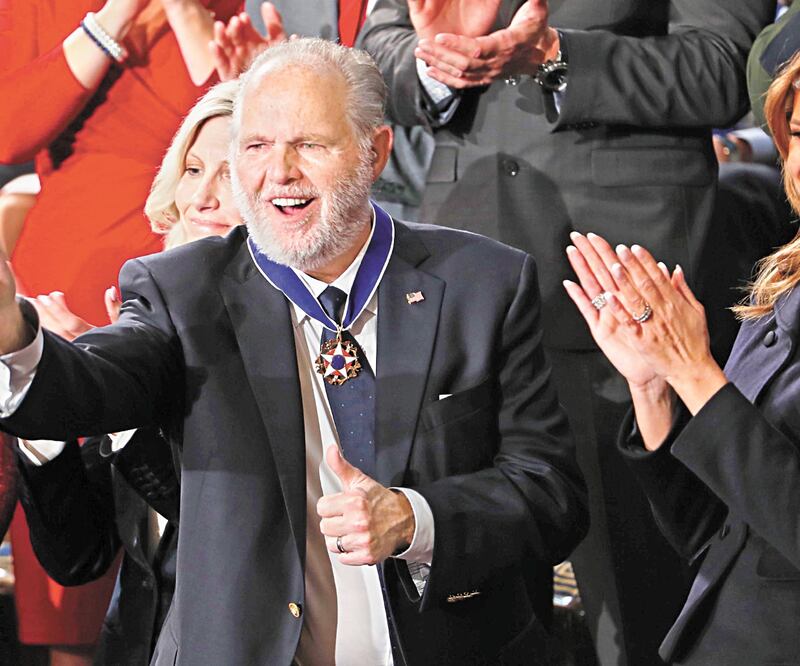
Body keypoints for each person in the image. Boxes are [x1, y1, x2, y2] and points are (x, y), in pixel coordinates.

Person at [0, 38, 587, 665]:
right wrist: (16, 339)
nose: (278, 171)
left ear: (375, 153)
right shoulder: (183, 290)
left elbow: (551, 493)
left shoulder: (483, 283)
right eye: (256, 146)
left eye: (309, 145)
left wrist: (416, 519)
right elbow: (95, 379)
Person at [358, 1, 776, 663]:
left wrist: (555, 57)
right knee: (474, 591)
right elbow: (378, 47)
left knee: (644, 597)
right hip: (465, 268)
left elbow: (725, 67)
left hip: (619, 277)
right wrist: (438, 64)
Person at [0, 1, 242, 662]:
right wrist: (116, 16)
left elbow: (232, 131)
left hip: (190, 265)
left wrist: (185, 10)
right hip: (63, 272)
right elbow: (8, 129)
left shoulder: (230, 12)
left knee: (191, 538)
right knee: (74, 595)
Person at [562, 50, 800, 664]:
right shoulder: (783, 286)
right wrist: (654, 388)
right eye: (799, 134)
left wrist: (695, 372)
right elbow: (711, 534)